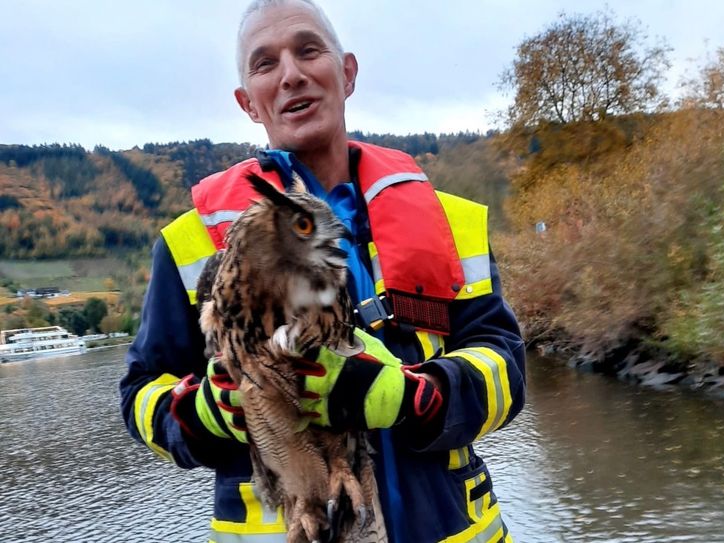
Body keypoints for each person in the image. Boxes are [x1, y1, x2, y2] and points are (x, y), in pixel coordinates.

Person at [120, 1, 526, 541]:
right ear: (248, 102)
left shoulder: (448, 221)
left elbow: (506, 369)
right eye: (265, 64)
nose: (291, 74)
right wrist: (208, 410)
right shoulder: (190, 243)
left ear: (347, 72)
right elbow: (140, 396)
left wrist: (416, 397)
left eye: (308, 50)